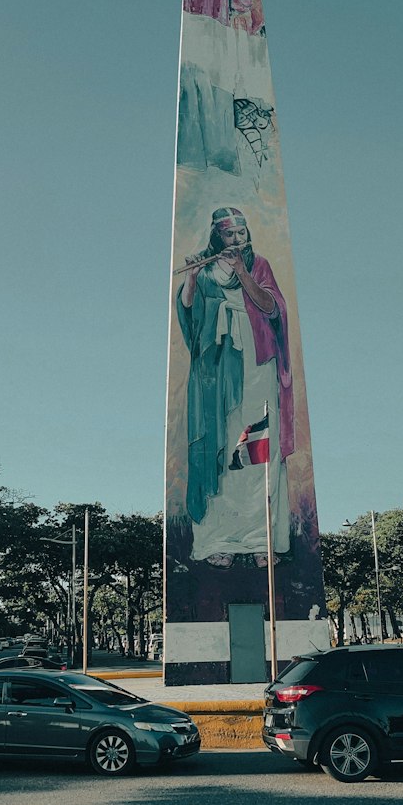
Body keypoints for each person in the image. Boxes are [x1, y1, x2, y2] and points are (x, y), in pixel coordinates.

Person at [177, 206, 294, 567]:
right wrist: (194, 278)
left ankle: (262, 539)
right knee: (222, 446)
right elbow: (190, 316)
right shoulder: (208, 271)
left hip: (256, 364)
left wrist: (243, 273)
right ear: (217, 236)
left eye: (242, 232)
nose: (237, 239)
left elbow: (272, 308)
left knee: (259, 445)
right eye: (230, 234)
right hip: (217, 370)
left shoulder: (258, 265)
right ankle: (218, 540)